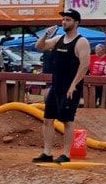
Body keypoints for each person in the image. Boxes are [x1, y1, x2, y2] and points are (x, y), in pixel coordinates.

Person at [33, 9, 91, 163]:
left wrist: (73, 85)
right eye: (63, 19)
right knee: (48, 119)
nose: (64, 22)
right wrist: (45, 34)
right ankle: (47, 153)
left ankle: (66, 154)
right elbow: (39, 47)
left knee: (67, 121)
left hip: (71, 87)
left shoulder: (81, 41)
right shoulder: (59, 39)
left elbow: (84, 66)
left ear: (76, 22)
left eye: (68, 19)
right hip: (56, 85)